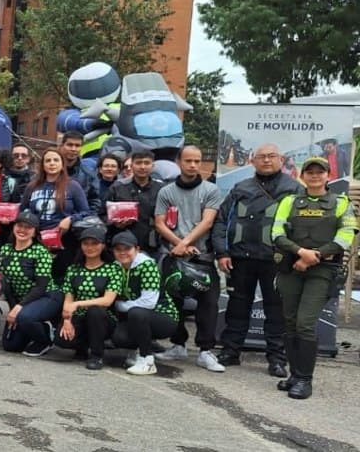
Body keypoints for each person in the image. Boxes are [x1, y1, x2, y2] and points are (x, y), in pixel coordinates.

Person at [270, 157, 358, 399]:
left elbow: (345, 236)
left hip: (322, 270)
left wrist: (314, 256)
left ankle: (305, 380)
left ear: (327, 175)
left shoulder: (340, 203)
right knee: (289, 323)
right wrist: (300, 253)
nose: (315, 176)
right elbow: (276, 231)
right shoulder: (289, 201)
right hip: (292, 267)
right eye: (310, 172)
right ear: (302, 176)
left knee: (305, 323)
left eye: (320, 172)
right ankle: (294, 375)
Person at [212, 143, 300, 377]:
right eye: (262, 157)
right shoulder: (240, 187)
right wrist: (222, 252)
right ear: (253, 161)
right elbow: (221, 221)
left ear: (281, 159)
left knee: (276, 310)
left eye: (272, 156)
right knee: (237, 306)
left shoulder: (294, 189)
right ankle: (230, 351)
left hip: (277, 260)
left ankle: (277, 358)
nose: (267, 160)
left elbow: (301, 228)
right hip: (240, 259)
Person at [153, 145, 225, 372]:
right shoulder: (166, 192)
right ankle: (178, 344)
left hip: (202, 257)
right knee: (173, 303)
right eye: (188, 161)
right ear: (179, 162)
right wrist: (178, 245)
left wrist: (185, 243)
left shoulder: (211, 190)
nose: (193, 165)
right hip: (173, 257)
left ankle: (205, 350)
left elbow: (207, 222)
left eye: (197, 160)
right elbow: (159, 223)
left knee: (209, 303)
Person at [109, 231, 179, 376]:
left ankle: (147, 359)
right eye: (118, 249)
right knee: (119, 337)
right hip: (136, 316)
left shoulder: (147, 266)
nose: (123, 253)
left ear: (137, 249)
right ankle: (135, 352)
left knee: (137, 312)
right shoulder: (116, 267)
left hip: (163, 317)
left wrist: (120, 306)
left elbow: (148, 303)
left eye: (127, 249)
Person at [20, 147, 91, 282]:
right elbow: (23, 210)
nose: (52, 163)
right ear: (42, 165)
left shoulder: (73, 186)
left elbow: (86, 212)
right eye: (48, 161)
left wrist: (70, 219)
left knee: (60, 279)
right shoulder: (32, 186)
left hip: (64, 241)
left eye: (56, 160)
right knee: (38, 278)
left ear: (62, 164)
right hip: (37, 241)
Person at [57, 225, 122, 370]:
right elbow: (68, 298)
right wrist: (67, 319)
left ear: (103, 246)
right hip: (78, 316)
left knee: (95, 311)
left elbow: (107, 300)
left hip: (103, 318)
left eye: (95, 243)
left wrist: (78, 304)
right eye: (86, 243)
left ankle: (97, 355)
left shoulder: (113, 269)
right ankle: (81, 347)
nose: (90, 247)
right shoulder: (73, 269)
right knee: (62, 340)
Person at [0, 212, 62, 356]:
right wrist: (12, 307)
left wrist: (18, 308)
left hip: (46, 296)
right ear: (13, 227)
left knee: (24, 317)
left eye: (28, 227)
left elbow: (41, 286)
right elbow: (6, 283)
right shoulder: (5, 249)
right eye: (19, 226)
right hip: (22, 301)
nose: (22, 230)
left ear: (34, 232)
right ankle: (30, 328)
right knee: (11, 345)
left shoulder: (41, 252)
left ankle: (46, 337)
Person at [102, 149, 165, 256]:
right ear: (132, 165)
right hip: (122, 244)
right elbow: (102, 214)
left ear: (153, 166)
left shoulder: (161, 189)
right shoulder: (118, 187)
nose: (143, 167)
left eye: (147, 163)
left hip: (152, 245)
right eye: (138, 163)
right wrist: (115, 223)